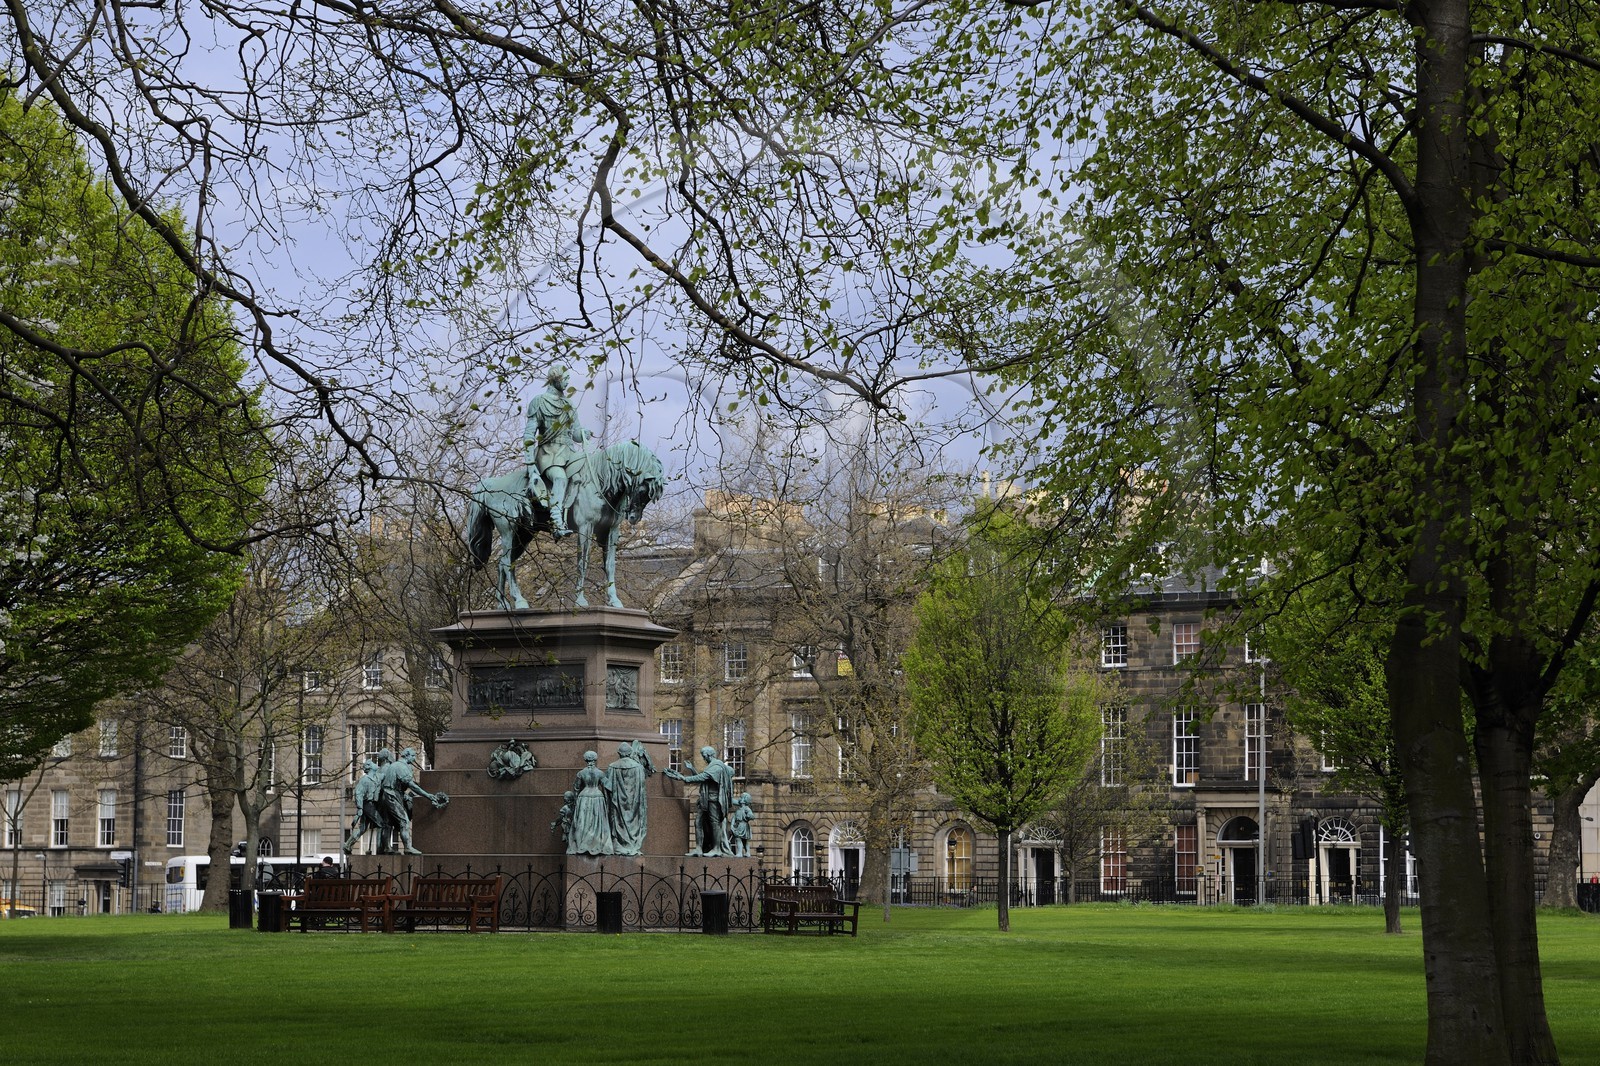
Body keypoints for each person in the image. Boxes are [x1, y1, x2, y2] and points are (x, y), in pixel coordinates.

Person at [524, 365, 590, 537]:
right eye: (565, 378)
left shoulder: (569, 404)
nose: (568, 382)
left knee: (589, 475)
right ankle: (556, 522)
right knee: (560, 478)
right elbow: (529, 435)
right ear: (555, 378)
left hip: (569, 453)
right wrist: (530, 465)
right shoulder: (539, 402)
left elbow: (575, 433)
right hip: (549, 453)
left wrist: (583, 434)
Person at [666, 746, 735, 857]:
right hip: (705, 799)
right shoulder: (711, 766)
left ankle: (717, 849)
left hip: (713, 799)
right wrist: (692, 769)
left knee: (714, 823)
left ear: (709, 755)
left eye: (704, 756)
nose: (704, 759)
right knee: (698, 822)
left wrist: (684, 778)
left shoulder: (717, 766)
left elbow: (703, 777)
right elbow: (704, 780)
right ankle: (698, 848)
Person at [378, 747, 446, 856]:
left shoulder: (395, 765)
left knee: (388, 823)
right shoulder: (400, 766)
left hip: (389, 795)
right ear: (407, 755)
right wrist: (428, 795)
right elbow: (412, 786)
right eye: (413, 756)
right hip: (392, 796)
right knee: (403, 821)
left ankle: (386, 847)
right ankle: (407, 848)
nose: (414, 758)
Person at [604, 740, 655, 856]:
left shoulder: (612, 767)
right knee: (634, 821)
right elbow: (641, 787)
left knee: (618, 820)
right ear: (630, 752)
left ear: (619, 753)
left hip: (617, 802)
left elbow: (608, 787)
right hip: (634, 802)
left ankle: (620, 844)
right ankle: (632, 844)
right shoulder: (638, 767)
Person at [567, 751, 615, 856]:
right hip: (597, 797)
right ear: (595, 759)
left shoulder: (581, 773)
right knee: (597, 822)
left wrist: (576, 799)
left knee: (582, 821)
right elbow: (609, 787)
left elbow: (576, 788)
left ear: (585, 759)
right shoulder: (600, 773)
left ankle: (581, 844)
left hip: (584, 797)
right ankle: (596, 843)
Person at [343, 755, 389, 853]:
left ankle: (348, 844)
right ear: (369, 767)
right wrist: (360, 809)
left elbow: (385, 774)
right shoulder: (365, 780)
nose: (375, 764)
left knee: (363, 828)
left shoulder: (376, 777)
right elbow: (358, 794)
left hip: (371, 805)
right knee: (381, 824)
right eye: (372, 763)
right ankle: (382, 848)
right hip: (367, 805)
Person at [728, 792, 755, 858]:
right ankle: (743, 852)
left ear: (744, 800)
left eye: (741, 797)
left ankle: (744, 852)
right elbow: (734, 818)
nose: (739, 799)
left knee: (743, 840)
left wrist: (749, 816)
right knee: (739, 839)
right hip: (739, 825)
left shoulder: (746, 808)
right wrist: (731, 825)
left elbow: (752, 816)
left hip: (744, 825)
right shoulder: (738, 809)